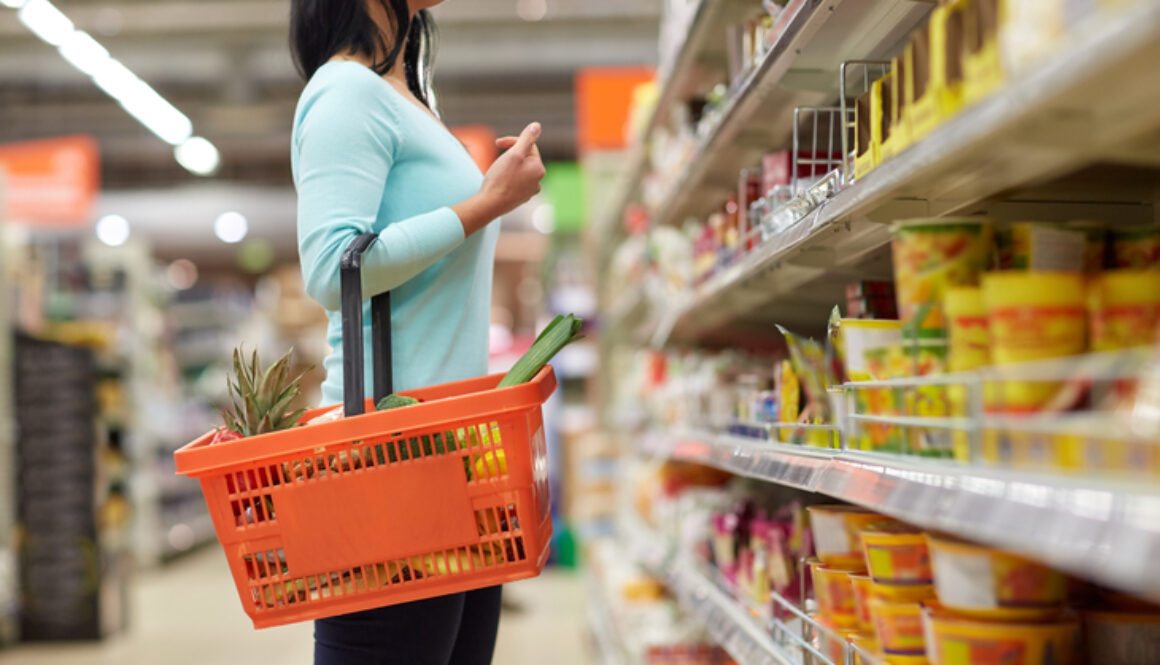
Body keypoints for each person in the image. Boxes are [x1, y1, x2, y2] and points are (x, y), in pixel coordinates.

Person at [288, 1, 546, 663]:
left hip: (454, 459)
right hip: (388, 466)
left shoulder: (401, 94)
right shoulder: (345, 90)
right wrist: (487, 201)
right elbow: (329, 268)